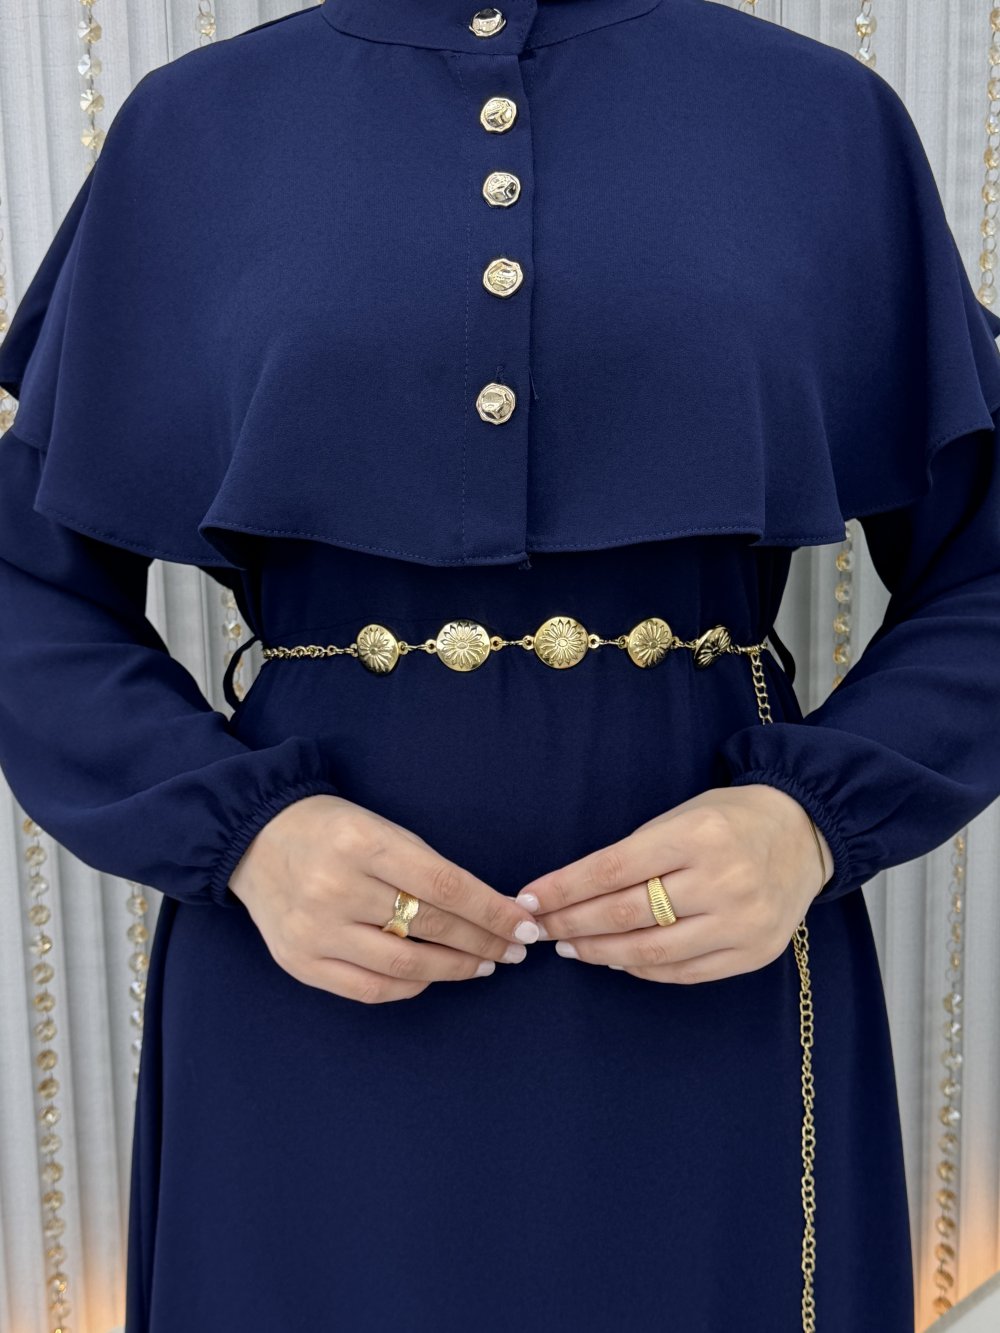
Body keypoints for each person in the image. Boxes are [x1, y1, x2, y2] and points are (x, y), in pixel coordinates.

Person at [1, 1, 1000, 1328]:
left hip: (720, 983)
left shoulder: (819, 121)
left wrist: (811, 820)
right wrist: (239, 834)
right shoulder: (191, 134)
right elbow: (27, 583)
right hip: (309, 975)